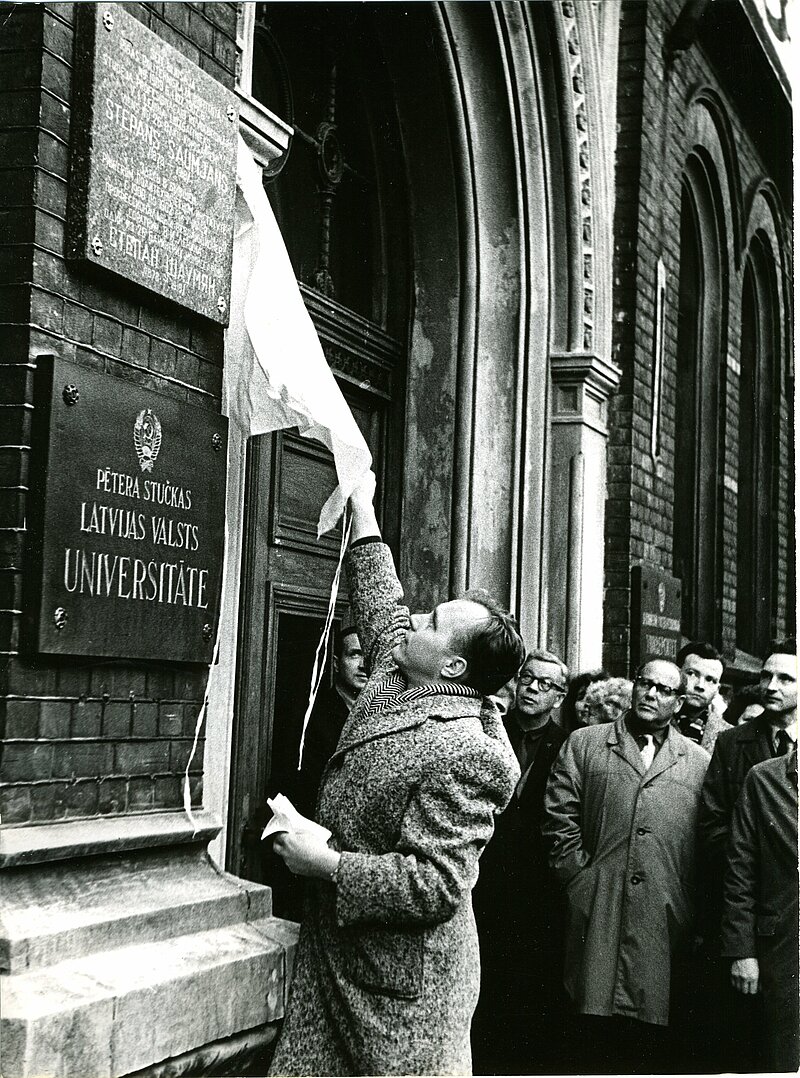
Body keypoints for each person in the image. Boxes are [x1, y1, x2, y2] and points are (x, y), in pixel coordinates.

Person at [267, 473, 526, 1077]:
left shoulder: (471, 751)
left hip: (401, 995)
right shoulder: (401, 670)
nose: (412, 619)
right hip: (338, 961)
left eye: (431, 621)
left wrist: (326, 863)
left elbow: (434, 885)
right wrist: (362, 503)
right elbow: (380, 598)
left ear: (455, 664)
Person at [543, 658, 709, 1073]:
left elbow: (703, 842)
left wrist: (683, 901)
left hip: (662, 914)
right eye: (645, 683)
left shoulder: (697, 761)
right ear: (634, 686)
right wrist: (578, 880)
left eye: (665, 690)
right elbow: (558, 819)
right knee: (589, 1025)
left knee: (646, 1037)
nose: (652, 695)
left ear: (680, 700)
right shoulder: (584, 744)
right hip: (596, 906)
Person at [695, 639, 798, 1071]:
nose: (769, 686)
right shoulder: (737, 747)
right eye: (765, 676)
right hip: (762, 919)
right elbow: (718, 833)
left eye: (785, 678)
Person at [471, 649, 569, 1074]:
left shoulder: (570, 745)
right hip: (482, 881)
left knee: (527, 994)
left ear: (560, 696)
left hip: (537, 892)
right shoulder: (486, 729)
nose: (532, 688)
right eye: (528, 678)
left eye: (545, 684)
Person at [721, 746, 799, 1072]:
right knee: (786, 1057)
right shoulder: (764, 778)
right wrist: (742, 950)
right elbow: (740, 870)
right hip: (783, 950)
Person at [294, 626, 367, 817]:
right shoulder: (314, 715)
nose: (363, 665)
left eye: (368, 655)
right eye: (355, 655)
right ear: (336, 664)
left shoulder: (383, 711)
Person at [674, 640, 732, 752]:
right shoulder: (654, 720)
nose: (700, 686)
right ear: (677, 674)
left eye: (710, 680)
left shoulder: (728, 735)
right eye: (691, 674)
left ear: (717, 689)